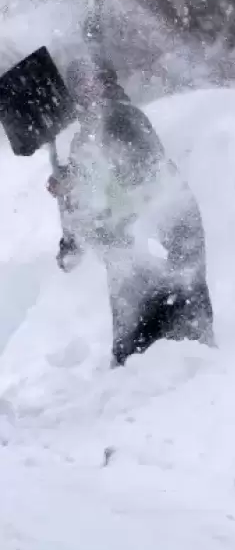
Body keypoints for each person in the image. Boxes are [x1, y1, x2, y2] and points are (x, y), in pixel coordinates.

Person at [48, 66, 215, 367]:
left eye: (91, 82)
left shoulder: (126, 119)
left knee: (181, 325)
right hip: (127, 244)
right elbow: (82, 203)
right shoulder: (83, 138)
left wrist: (81, 185)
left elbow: (141, 177)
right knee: (134, 338)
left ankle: (197, 381)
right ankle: (143, 380)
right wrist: (71, 239)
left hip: (166, 230)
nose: (85, 92)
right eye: (79, 87)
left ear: (107, 83)